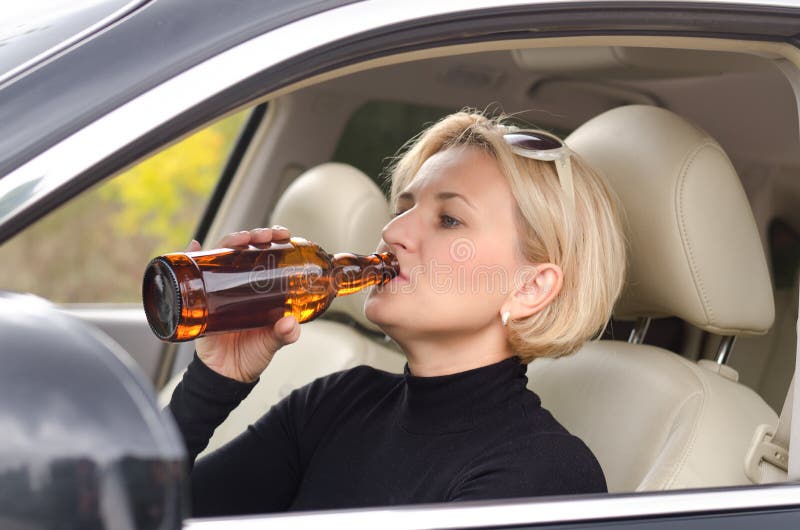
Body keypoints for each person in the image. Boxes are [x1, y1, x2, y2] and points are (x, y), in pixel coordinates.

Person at [167, 111, 627, 516]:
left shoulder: (545, 474)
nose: (392, 230)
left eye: (449, 219)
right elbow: (133, 513)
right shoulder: (337, 402)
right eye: (404, 207)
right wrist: (214, 381)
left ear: (530, 288)